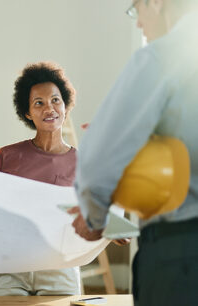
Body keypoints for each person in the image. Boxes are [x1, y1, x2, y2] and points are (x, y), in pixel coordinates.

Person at [72, 1, 198, 305]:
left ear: (155, 3)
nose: (139, 23)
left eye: (136, 9)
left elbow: (97, 164)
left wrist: (94, 217)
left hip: (180, 258)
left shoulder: (162, 57)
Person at [0, 62, 81, 296]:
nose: (49, 108)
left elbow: (93, 213)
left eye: (55, 100)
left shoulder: (83, 163)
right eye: (38, 103)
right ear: (28, 112)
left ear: (65, 105)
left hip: (60, 268)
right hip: (11, 268)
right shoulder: (8, 155)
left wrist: (112, 233)